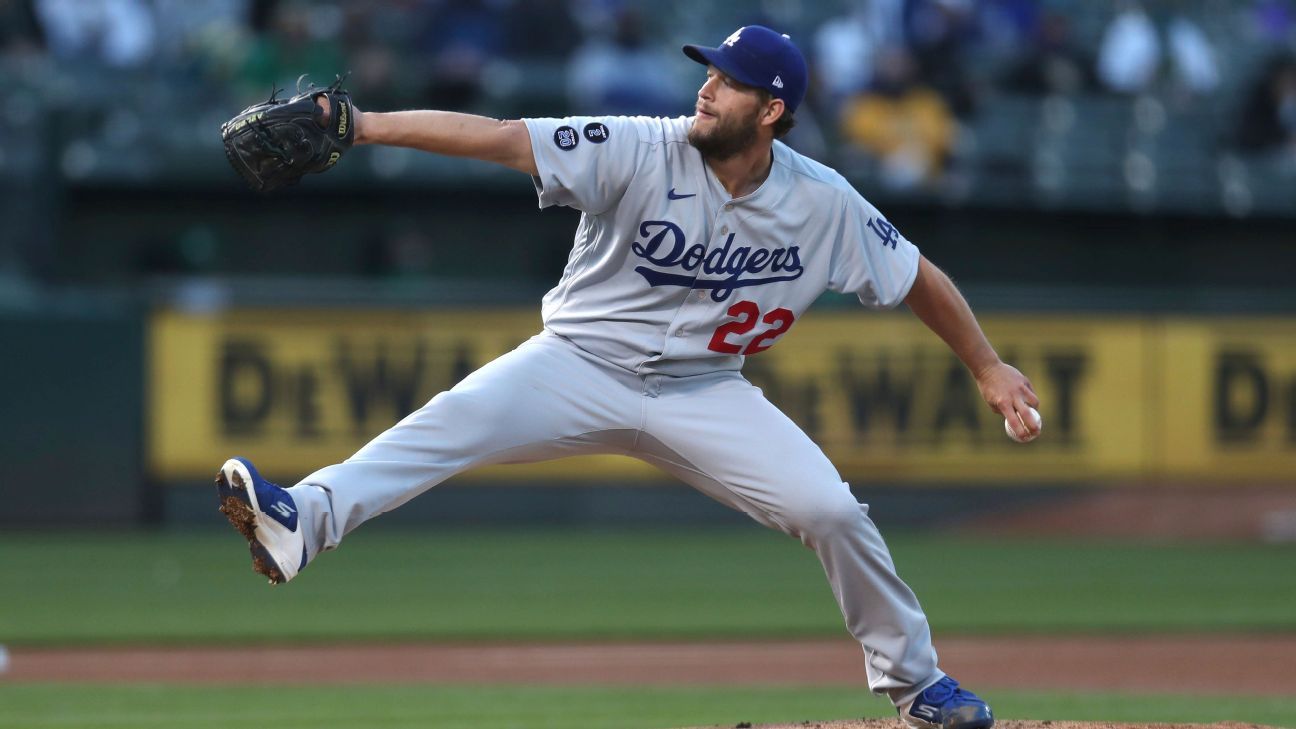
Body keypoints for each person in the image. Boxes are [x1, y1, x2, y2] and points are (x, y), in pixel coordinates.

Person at [215, 25, 1039, 729]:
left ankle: (917, 684)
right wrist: (358, 124)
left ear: (773, 110)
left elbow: (917, 274)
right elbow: (502, 138)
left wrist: (988, 365)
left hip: (705, 390)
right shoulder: (641, 144)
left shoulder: (824, 202)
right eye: (709, 73)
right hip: (578, 363)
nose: (708, 89)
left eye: (729, 81)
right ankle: (302, 521)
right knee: (444, 424)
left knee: (830, 508)